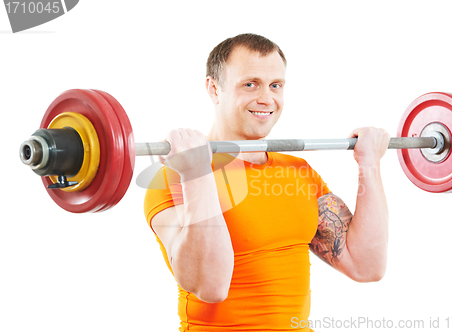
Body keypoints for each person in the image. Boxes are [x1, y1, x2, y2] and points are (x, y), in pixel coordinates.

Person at [144, 33, 389, 331]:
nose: (266, 99)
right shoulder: (173, 177)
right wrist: (197, 172)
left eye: (276, 85)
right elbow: (210, 285)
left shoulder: (299, 172)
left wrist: (370, 164)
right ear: (214, 88)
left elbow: (366, 265)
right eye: (250, 84)